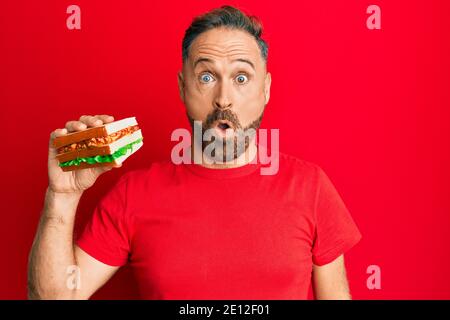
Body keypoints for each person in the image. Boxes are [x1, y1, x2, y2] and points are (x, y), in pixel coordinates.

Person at [28, 5, 361, 300]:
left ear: (267, 90)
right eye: (206, 76)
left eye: (242, 77)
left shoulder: (311, 188)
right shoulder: (134, 194)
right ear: (182, 87)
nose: (224, 98)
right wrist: (62, 196)